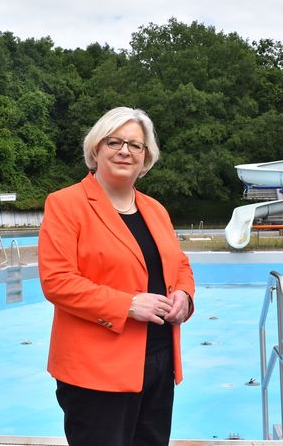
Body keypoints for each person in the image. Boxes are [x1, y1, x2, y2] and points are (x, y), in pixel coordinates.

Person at [38, 106, 195, 446]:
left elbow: (179, 264)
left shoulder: (156, 209)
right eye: (114, 142)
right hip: (97, 369)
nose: (125, 150)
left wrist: (184, 294)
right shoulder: (66, 204)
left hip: (158, 361)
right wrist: (127, 304)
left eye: (135, 145)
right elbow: (57, 281)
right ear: (95, 149)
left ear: (146, 157)